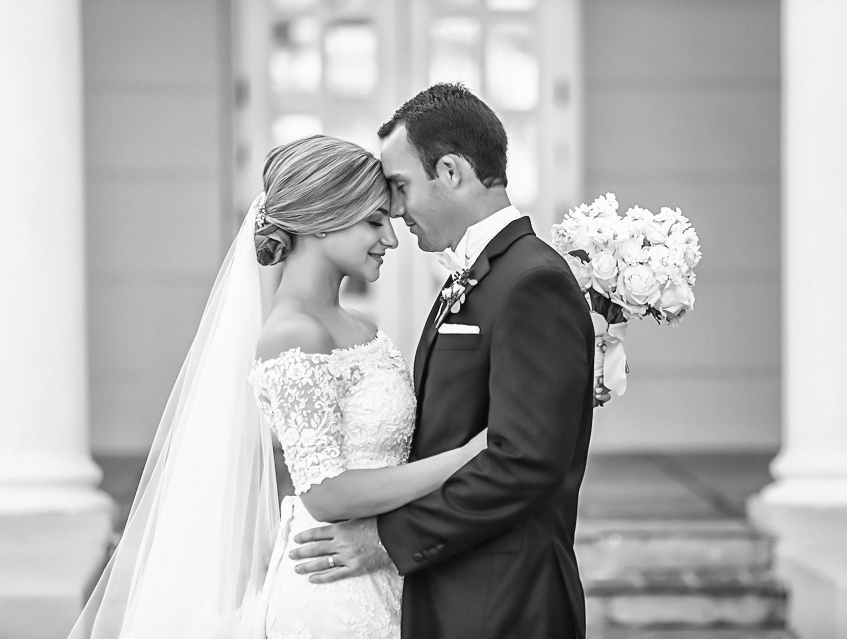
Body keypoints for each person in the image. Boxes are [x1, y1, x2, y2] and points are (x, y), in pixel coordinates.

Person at [67, 135, 485, 639]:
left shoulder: (360, 327)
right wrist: (468, 457)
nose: (391, 240)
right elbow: (327, 494)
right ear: (319, 220)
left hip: (382, 570)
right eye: (374, 222)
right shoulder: (295, 333)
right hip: (333, 591)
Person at [291, 83, 596, 639]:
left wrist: (385, 539)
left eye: (402, 187)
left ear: (451, 172)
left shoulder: (532, 282)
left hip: (503, 602)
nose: (397, 211)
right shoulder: (477, 276)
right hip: (454, 592)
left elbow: (523, 462)